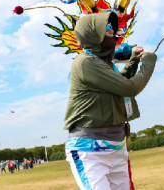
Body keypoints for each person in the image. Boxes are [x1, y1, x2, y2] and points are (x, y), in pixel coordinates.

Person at [63, 12, 157, 190]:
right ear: (92, 34)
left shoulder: (102, 62)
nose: (112, 31)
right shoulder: (85, 62)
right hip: (89, 148)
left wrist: (132, 63)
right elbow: (129, 88)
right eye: (106, 28)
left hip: (116, 144)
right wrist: (148, 63)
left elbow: (118, 83)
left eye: (112, 27)